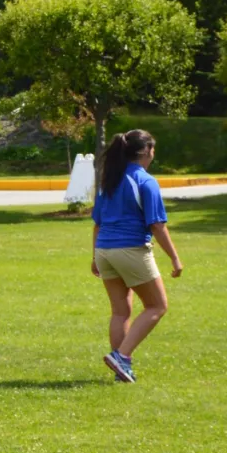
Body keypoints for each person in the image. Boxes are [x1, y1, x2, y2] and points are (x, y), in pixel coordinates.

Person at [91, 129, 184, 383]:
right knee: (157, 306)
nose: (154, 154)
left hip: (104, 250)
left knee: (120, 311)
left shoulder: (109, 180)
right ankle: (122, 357)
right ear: (145, 152)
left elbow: (97, 223)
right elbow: (157, 225)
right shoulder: (145, 181)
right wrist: (175, 259)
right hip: (130, 249)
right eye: (153, 149)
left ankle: (121, 371)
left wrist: (94, 256)